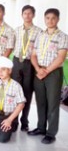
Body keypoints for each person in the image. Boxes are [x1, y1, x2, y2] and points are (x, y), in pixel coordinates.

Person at [28, 8, 68, 144]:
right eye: (47, 18)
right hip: (39, 71)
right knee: (41, 101)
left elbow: (61, 57)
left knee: (52, 103)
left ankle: (51, 133)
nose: (50, 21)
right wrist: (38, 69)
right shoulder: (40, 35)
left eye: (53, 18)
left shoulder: (62, 36)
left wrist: (46, 70)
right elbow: (33, 55)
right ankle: (40, 128)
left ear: (58, 19)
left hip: (53, 73)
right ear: (44, 19)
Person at [11, 5, 42, 132]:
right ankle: (13, 121)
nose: (27, 16)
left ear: (33, 15)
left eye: (30, 13)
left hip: (30, 63)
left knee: (27, 93)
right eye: (25, 13)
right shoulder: (17, 30)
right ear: (22, 15)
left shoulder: (39, 31)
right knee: (14, 91)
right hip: (17, 61)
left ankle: (24, 121)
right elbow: (12, 45)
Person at [0, 56, 25, 143]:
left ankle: (12, 124)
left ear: (9, 71)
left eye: (3, 69)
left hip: (8, 115)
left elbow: (21, 104)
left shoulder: (16, 86)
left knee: (2, 139)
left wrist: (9, 120)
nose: (0, 72)